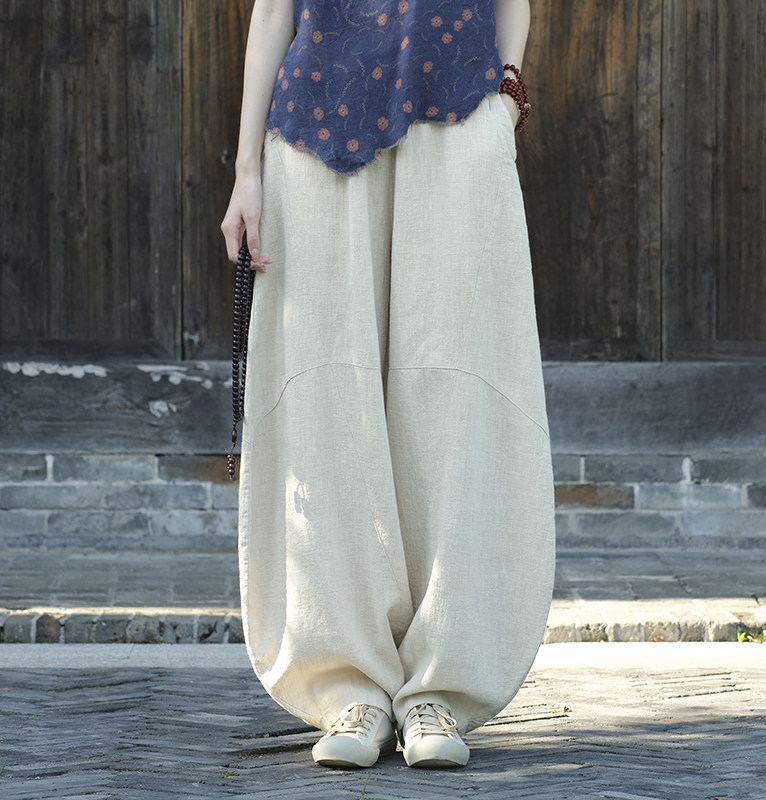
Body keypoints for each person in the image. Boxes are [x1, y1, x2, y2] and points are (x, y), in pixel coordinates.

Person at [221, 0, 555, 771]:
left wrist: (506, 98)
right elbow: (271, 12)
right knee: (325, 401)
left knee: (457, 395)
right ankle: (351, 686)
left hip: (458, 115)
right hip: (315, 123)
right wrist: (247, 171)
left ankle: (442, 685)